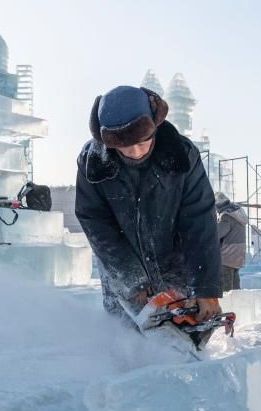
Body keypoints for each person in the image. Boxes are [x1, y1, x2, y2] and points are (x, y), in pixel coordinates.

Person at [75, 85, 222, 326]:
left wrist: (205, 288)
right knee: (126, 340)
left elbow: (200, 221)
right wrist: (132, 280)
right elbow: (95, 223)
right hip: (123, 271)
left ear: (155, 125)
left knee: (184, 335)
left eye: (142, 142)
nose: (134, 151)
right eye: (123, 146)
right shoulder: (92, 163)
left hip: (175, 267)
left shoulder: (183, 156)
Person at [215, 192, 248, 292]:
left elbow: (218, 233)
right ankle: (238, 304)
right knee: (235, 283)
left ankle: (228, 305)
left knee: (226, 289)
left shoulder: (226, 216)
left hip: (228, 254)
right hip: (238, 253)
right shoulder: (237, 212)